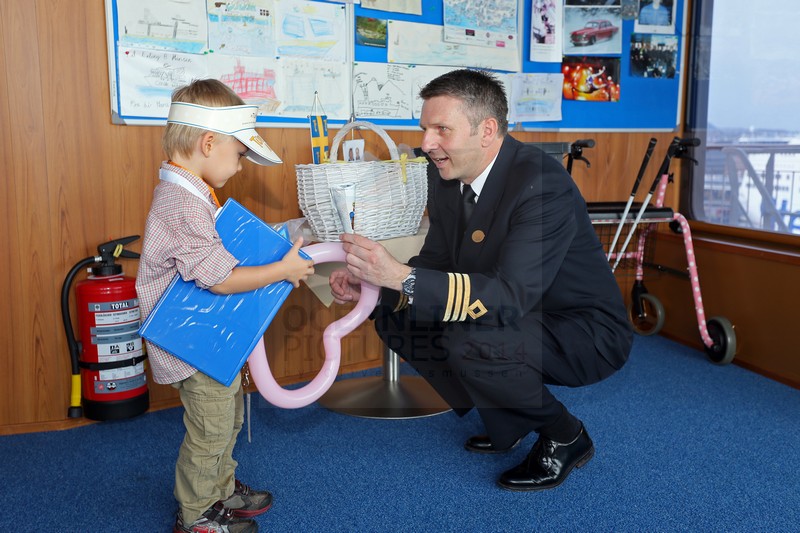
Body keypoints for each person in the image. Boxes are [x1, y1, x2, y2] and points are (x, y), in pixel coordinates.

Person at [329, 69, 632, 491]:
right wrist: (375, 287)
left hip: (581, 329)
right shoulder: (447, 176)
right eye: (424, 129)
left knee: (470, 341)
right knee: (396, 317)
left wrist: (400, 275)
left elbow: (508, 296)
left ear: (486, 130)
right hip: (518, 310)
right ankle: (508, 416)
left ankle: (566, 434)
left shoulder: (543, 185)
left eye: (441, 130)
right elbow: (436, 260)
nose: (427, 143)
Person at [136, 79, 315, 532]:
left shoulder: (194, 195)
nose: (239, 167)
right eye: (239, 154)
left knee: (228, 416)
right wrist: (283, 271)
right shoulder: (181, 202)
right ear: (208, 142)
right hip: (189, 341)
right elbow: (219, 280)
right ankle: (197, 512)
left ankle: (221, 489)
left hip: (208, 337)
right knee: (211, 427)